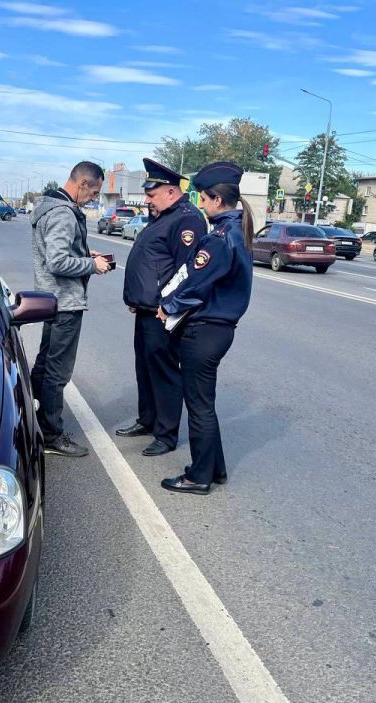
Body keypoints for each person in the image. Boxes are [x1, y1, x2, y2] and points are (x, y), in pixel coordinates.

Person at [156, 161, 253, 495]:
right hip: (217, 331)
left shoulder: (220, 239)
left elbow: (196, 285)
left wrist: (166, 307)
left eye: (201, 198)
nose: (199, 204)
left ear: (215, 199)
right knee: (204, 402)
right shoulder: (233, 233)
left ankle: (198, 477)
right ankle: (215, 469)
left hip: (205, 331)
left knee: (198, 405)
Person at [116, 158, 207, 457]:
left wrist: (168, 307)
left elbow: (186, 272)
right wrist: (137, 299)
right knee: (144, 367)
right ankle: (147, 420)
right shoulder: (163, 215)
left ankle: (166, 434)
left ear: (170, 191)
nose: (147, 199)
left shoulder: (187, 219)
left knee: (164, 372)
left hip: (163, 313)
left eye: (151, 194)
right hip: (146, 309)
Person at [30, 161, 112, 457]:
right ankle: (52, 434)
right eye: (94, 192)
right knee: (57, 370)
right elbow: (57, 261)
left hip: (50, 299)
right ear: (81, 184)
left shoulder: (49, 207)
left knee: (44, 362)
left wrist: (83, 252)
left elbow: (59, 252)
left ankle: (33, 420)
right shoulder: (64, 213)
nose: (94, 198)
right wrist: (92, 265)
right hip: (65, 301)